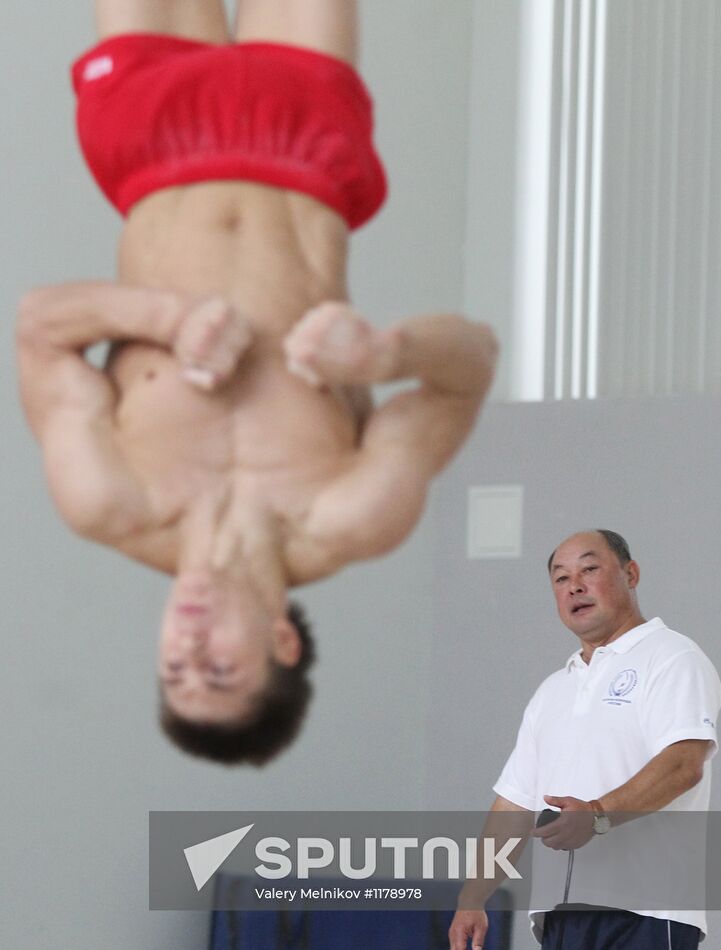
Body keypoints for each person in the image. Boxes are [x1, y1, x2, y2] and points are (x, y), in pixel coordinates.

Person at [15, 1, 496, 766]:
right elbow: (472, 367)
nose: (189, 641)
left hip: (153, 141)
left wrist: (165, 318)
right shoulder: (353, 513)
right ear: (281, 640)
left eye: (174, 667)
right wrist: (384, 354)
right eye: (219, 667)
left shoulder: (110, 501)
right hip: (305, 136)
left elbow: (38, 329)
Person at [448, 529, 721, 950]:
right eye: (561, 577)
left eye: (589, 569)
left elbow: (683, 764)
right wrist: (474, 896)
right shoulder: (553, 690)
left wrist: (596, 815)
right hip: (562, 925)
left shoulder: (673, 657)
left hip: (645, 918)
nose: (574, 585)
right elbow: (514, 802)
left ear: (630, 573)